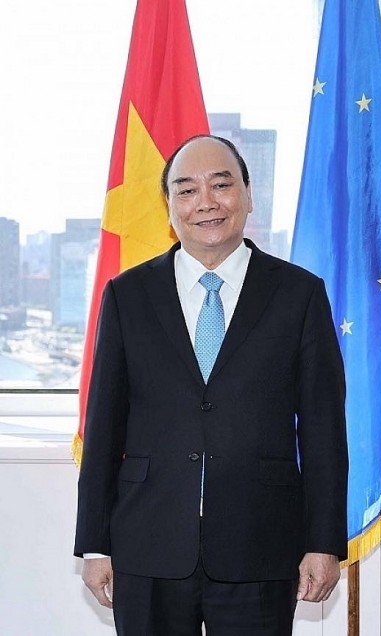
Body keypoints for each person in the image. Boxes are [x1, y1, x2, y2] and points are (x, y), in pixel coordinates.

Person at [74, 135, 348, 634]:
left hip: (260, 546)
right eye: (186, 189)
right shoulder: (127, 295)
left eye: (221, 185)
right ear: (170, 206)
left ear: (247, 194)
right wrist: (94, 544)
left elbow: (324, 433)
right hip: (147, 545)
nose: (206, 202)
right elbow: (103, 428)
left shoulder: (299, 294)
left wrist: (323, 542)